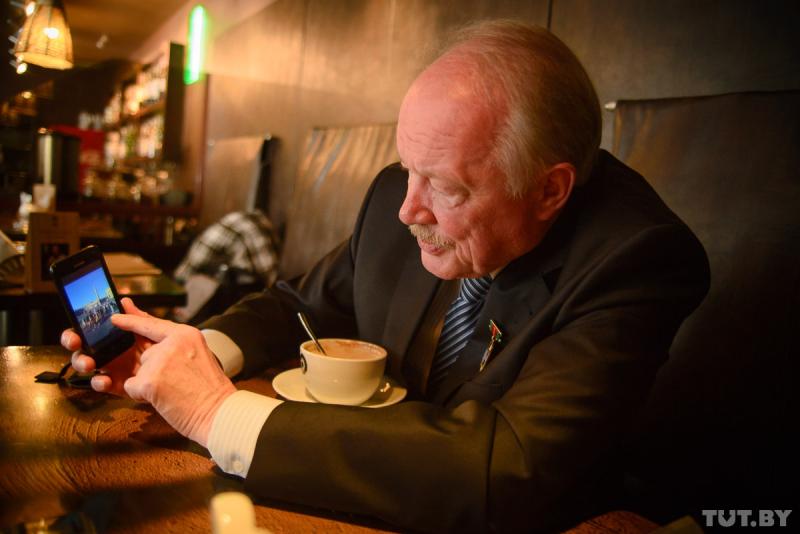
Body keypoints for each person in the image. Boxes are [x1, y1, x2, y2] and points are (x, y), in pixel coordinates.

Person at [62, 20, 709, 533]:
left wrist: (215, 413)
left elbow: (509, 469)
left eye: (446, 187)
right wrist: (187, 359)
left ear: (549, 191)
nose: (407, 210)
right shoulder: (396, 197)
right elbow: (299, 304)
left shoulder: (636, 259)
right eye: (407, 169)